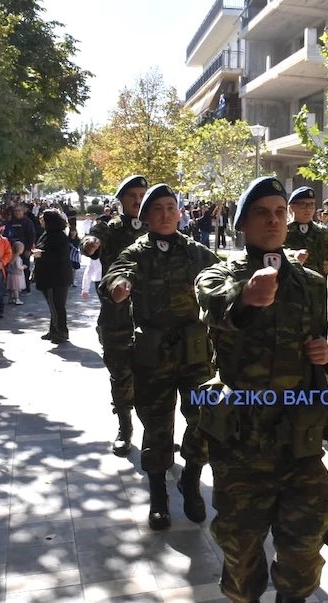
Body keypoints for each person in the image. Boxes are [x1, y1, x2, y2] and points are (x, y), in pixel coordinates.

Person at [196, 176, 328, 603]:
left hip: (300, 438)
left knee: (306, 546)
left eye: (280, 212)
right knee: (242, 551)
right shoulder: (217, 275)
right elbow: (216, 306)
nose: (274, 220)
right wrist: (248, 295)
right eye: (262, 213)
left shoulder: (311, 283)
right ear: (242, 224)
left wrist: (326, 356)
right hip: (242, 440)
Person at [101, 184, 219, 530]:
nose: (166, 215)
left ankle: (191, 481)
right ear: (146, 216)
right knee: (157, 426)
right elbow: (113, 275)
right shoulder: (137, 252)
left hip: (195, 355)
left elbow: (226, 275)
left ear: (179, 213)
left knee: (201, 422)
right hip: (153, 356)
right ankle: (158, 497)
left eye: (171, 208)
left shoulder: (197, 252)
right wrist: (118, 287)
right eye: (158, 209)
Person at [81, 175, 149, 457]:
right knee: (120, 375)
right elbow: (93, 238)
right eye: (132, 195)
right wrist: (90, 244)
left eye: (142, 194)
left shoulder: (154, 227)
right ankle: (124, 428)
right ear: (121, 200)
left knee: (152, 377)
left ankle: (157, 432)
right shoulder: (110, 227)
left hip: (150, 316)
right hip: (117, 316)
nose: (138, 200)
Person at [32, 209, 73, 343]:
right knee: (53, 305)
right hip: (49, 276)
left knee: (57, 305)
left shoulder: (59, 236)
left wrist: (41, 254)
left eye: (43, 219)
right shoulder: (47, 234)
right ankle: (54, 330)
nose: (41, 221)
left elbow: (60, 256)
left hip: (57, 277)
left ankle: (61, 331)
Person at [284, 187, 328, 276]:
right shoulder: (282, 232)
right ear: (291, 207)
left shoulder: (324, 233)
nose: (308, 209)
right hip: (291, 285)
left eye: (311, 204)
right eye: (303, 204)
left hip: (320, 287)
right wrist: (293, 256)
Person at [7, 240, 27, 305]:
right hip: (17, 275)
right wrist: (23, 267)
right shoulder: (17, 258)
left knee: (11, 288)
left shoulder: (11, 257)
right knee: (16, 288)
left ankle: (10, 298)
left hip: (11, 274)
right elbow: (18, 266)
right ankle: (17, 299)